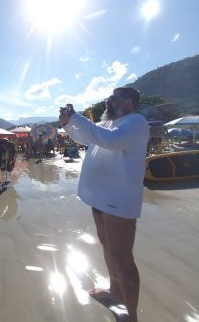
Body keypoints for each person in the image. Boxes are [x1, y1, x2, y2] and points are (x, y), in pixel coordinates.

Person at [59, 87, 149, 321]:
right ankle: (114, 292)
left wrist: (77, 116)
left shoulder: (136, 121)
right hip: (100, 197)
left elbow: (110, 142)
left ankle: (131, 315)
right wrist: (68, 124)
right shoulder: (109, 124)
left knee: (122, 257)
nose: (108, 101)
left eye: (114, 98)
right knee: (108, 249)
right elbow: (86, 138)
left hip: (119, 199)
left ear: (129, 102)